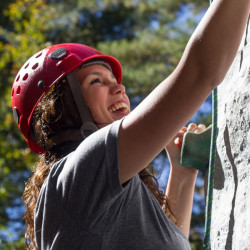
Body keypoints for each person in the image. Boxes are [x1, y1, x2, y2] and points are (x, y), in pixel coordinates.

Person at [11, 0, 250, 249]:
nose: (119, 87)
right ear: (64, 107)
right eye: (96, 82)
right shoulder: (77, 175)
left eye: (113, 79)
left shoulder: (90, 193)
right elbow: (198, 73)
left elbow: (163, 240)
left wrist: (181, 175)